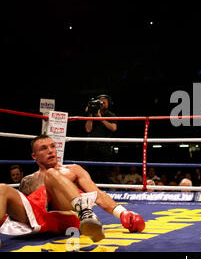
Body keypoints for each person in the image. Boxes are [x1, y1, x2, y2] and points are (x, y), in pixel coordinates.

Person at [0, 134, 145, 244]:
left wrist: (123, 213)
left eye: (52, 146)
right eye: (44, 148)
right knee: (2, 188)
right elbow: (25, 211)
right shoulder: (28, 181)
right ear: (34, 156)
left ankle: (86, 215)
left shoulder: (73, 170)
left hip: (67, 215)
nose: (50, 151)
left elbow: (98, 195)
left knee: (51, 174)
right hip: (43, 220)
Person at [84, 94, 117, 182]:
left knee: (104, 172)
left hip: (104, 146)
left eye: (104, 102)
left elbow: (113, 128)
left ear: (108, 103)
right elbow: (88, 129)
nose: (102, 104)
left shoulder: (111, 115)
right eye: (100, 102)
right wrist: (90, 114)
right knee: (89, 172)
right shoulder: (92, 114)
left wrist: (100, 118)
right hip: (91, 146)